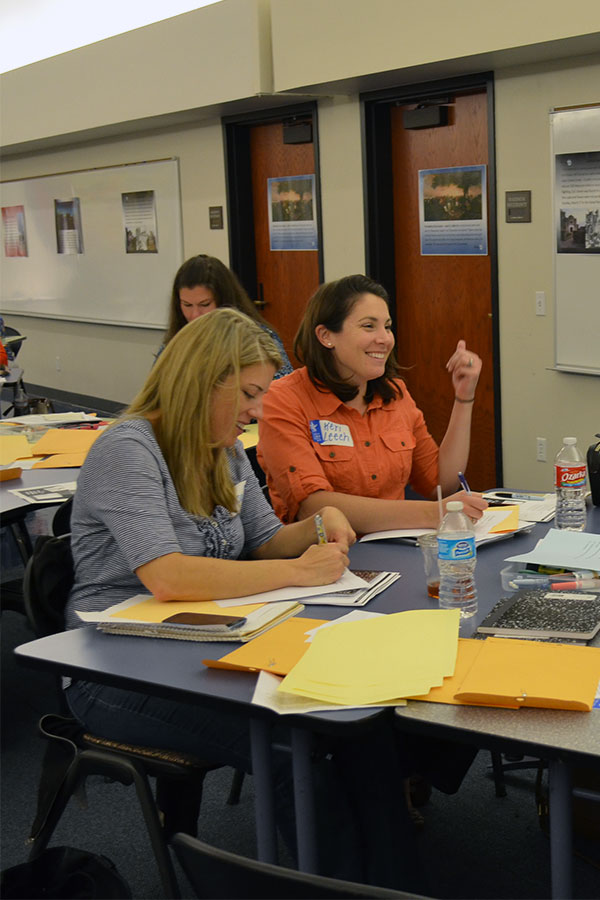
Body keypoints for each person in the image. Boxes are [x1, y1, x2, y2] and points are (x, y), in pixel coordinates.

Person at [64, 307, 423, 891]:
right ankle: (341, 885)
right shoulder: (128, 448)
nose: (258, 411)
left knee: (360, 725)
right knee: (290, 745)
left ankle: (395, 885)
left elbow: (263, 542)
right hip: (115, 668)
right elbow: (168, 577)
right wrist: (297, 575)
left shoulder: (223, 447)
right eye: (250, 394)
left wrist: (317, 524)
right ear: (202, 381)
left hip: (211, 640)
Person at [257, 273, 488, 532]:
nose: (385, 338)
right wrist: (434, 513)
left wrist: (464, 397)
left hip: (395, 548)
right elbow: (314, 506)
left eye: (387, 327)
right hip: (324, 556)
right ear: (325, 336)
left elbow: (439, 483)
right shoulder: (283, 399)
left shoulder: (394, 392)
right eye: (369, 326)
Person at [157, 253, 293, 378]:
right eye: (187, 305)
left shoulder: (258, 340)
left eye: (204, 305)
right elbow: (153, 395)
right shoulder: (175, 342)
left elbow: (282, 392)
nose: (195, 315)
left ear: (224, 302)